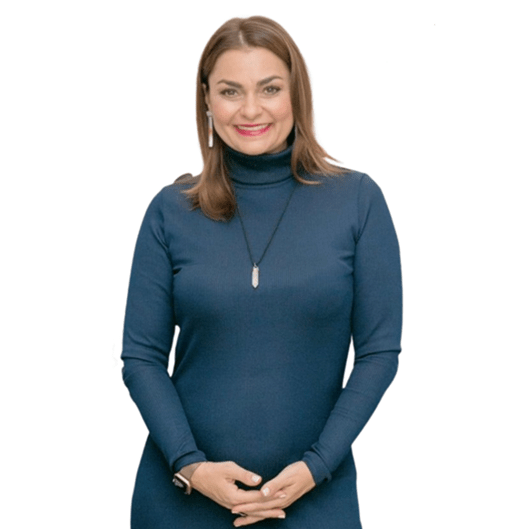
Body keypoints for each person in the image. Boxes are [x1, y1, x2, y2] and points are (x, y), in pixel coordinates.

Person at [121, 15, 402, 529]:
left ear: (297, 94)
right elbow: (141, 357)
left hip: (314, 500)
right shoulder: (171, 210)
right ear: (207, 100)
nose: (250, 109)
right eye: (230, 91)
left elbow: (379, 353)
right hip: (182, 501)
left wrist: (317, 466)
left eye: (270, 88)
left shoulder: (357, 202)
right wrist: (191, 466)